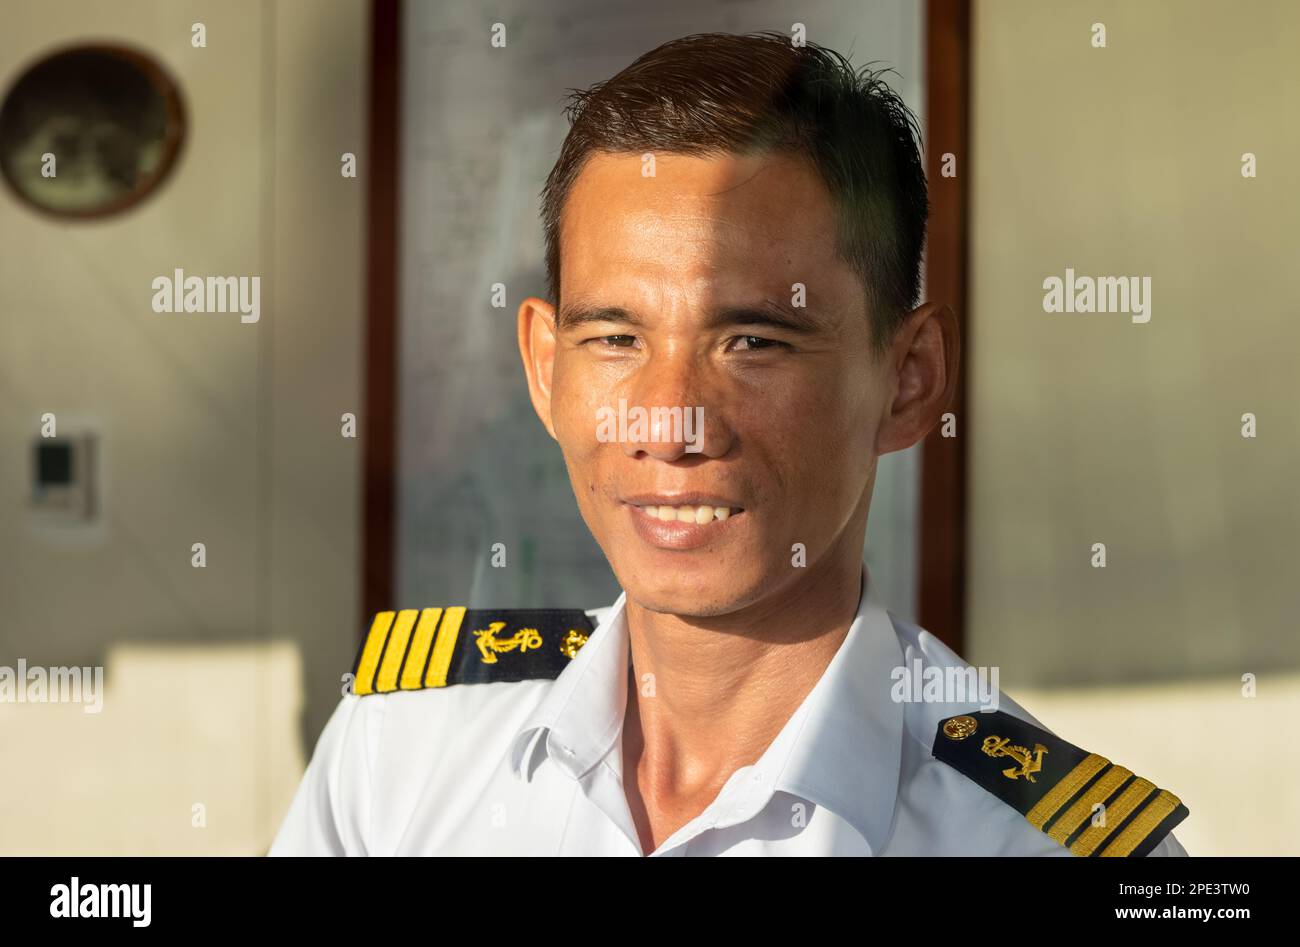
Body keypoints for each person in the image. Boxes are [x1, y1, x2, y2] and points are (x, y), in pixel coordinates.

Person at [269, 31, 1188, 857]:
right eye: (615, 339)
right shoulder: (398, 753)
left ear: (908, 380)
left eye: (753, 342)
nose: (669, 422)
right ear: (545, 370)